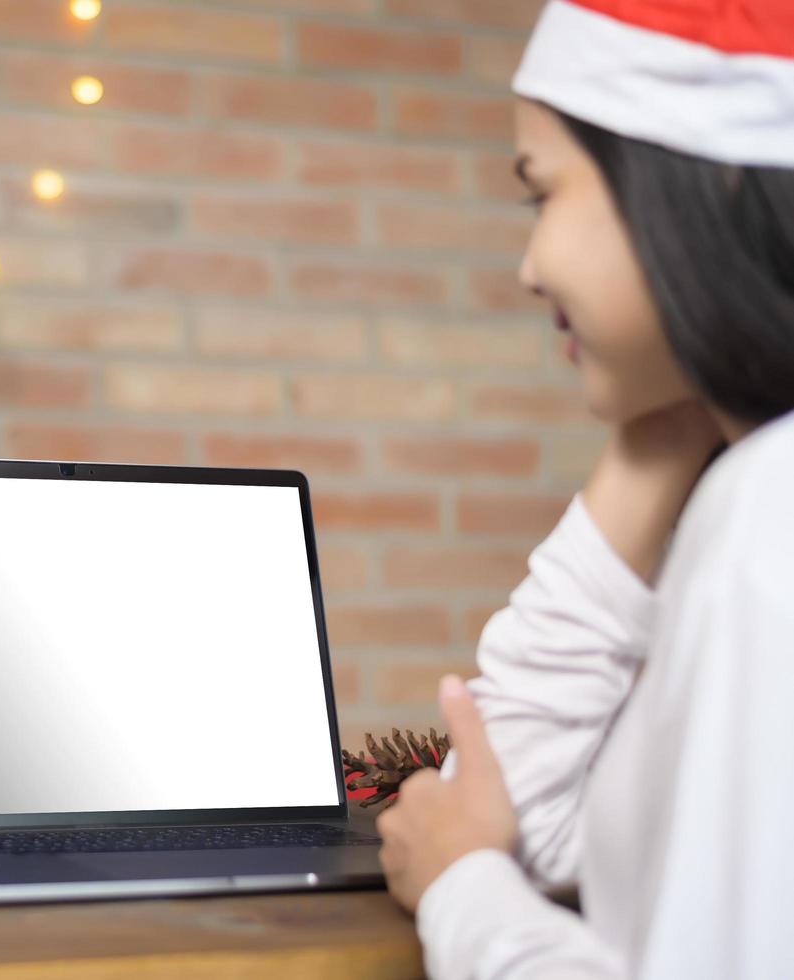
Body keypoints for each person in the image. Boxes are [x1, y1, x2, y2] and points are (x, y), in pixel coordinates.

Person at [373, 0, 794, 976]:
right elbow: (527, 817)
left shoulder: (771, 515)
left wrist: (464, 888)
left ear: (708, 182)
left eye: (542, 193)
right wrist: (667, 426)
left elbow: (489, 848)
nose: (527, 267)